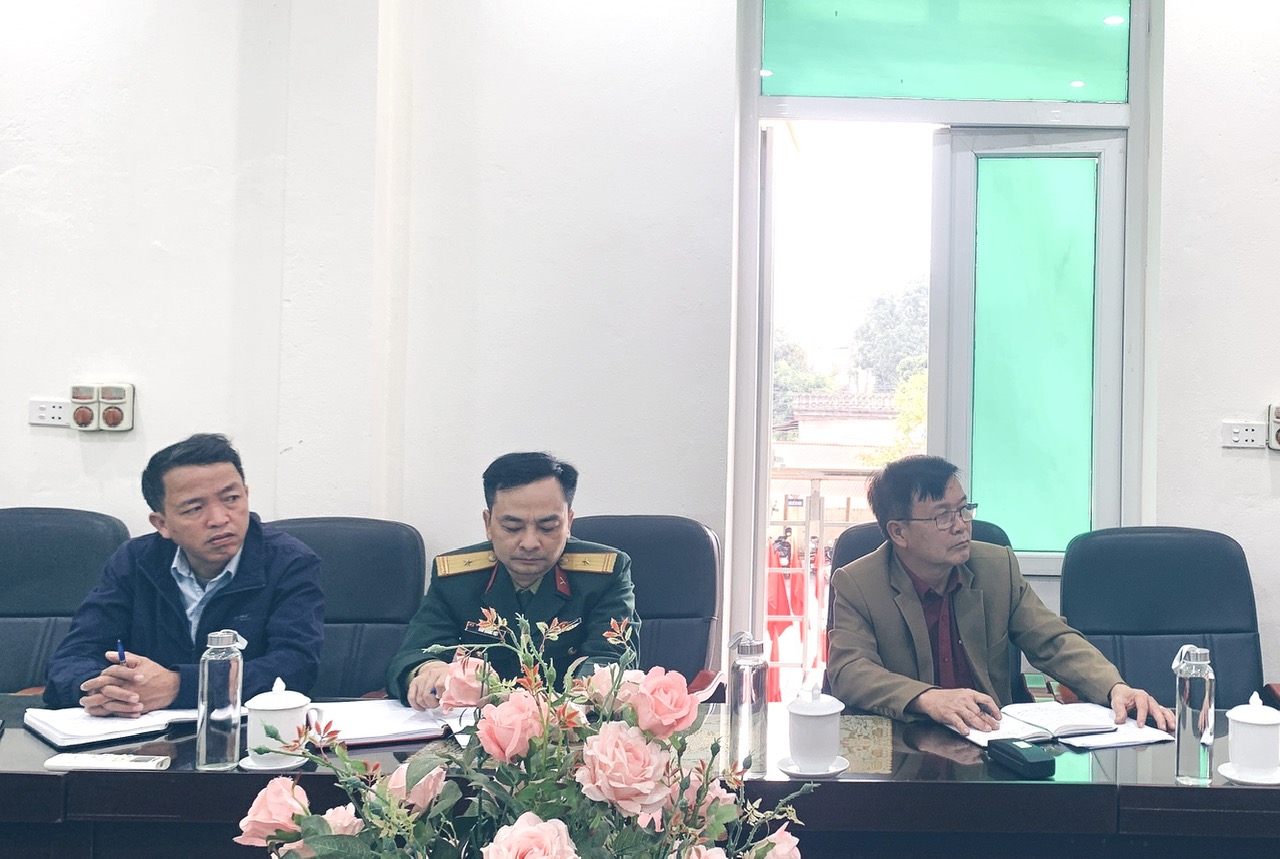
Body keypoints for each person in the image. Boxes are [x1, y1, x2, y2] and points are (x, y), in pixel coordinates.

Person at [826, 455, 1174, 735]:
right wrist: (927, 698)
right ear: (898, 532)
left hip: (989, 741)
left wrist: (1114, 687)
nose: (961, 525)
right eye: (942, 516)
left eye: (963, 509)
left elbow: (1054, 640)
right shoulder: (858, 583)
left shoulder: (996, 568)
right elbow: (849, 671)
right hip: (904, 746)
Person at [44, 433, 324, 715]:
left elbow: (294, 668)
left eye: (231, 499)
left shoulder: (289, 562)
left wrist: (179, 686)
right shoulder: (134, 561)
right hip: (140, 731)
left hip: (245, 731)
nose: (219, 519)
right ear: (162, 524)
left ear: (246, 495)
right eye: (194, 508)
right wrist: (101, 691)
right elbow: (73, 657)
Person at [387, 452, 640, 711]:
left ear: (568, 523)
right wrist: (429, 669)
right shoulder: (456, 579)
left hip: (567, 723)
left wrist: (568, 707)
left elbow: (610, 660)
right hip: (476, 726)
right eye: (512, 527)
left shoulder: (603, 576)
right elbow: (415, 653)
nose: (529, 543)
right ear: (488, 523)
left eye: (548, 527)